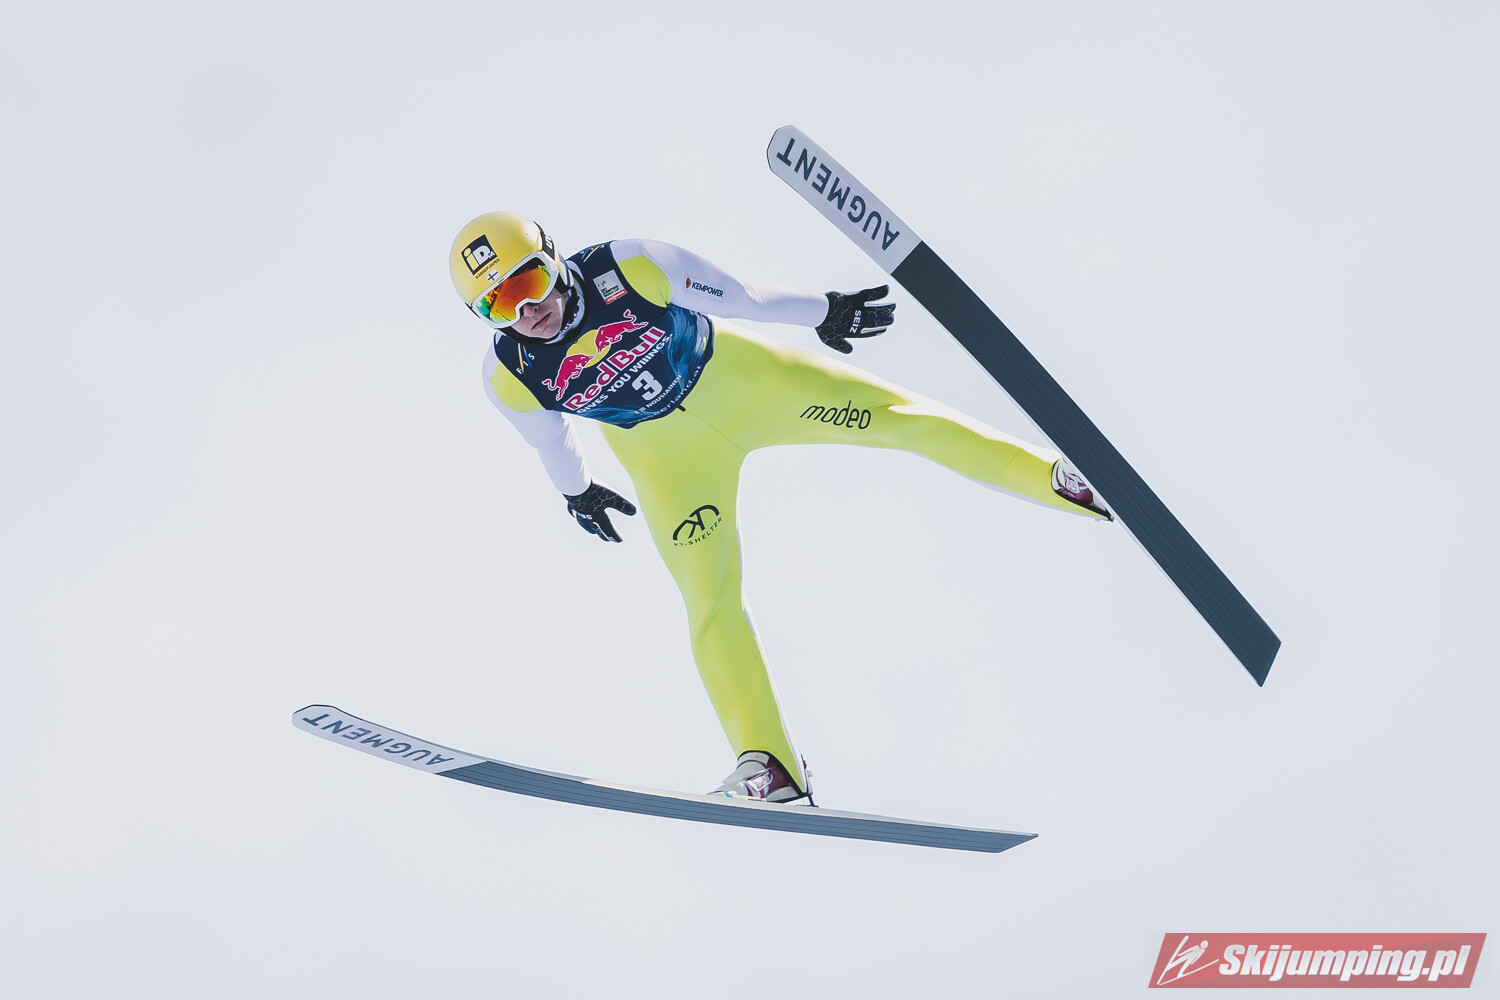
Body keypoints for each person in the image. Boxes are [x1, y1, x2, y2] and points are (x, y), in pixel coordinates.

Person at [449, 212, 1111, 804]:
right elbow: (551, 439)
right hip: (668, 462)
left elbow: (742, 297)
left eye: (529, 281)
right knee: (709, 601)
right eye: (497, 303)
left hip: (746, 384)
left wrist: (825, 310)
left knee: (903, 420)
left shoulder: (630, 266)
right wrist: (577, 492)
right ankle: (769, 766)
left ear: (553, 257)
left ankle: (1063, 480)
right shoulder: (508, 375)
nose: (525, 310)